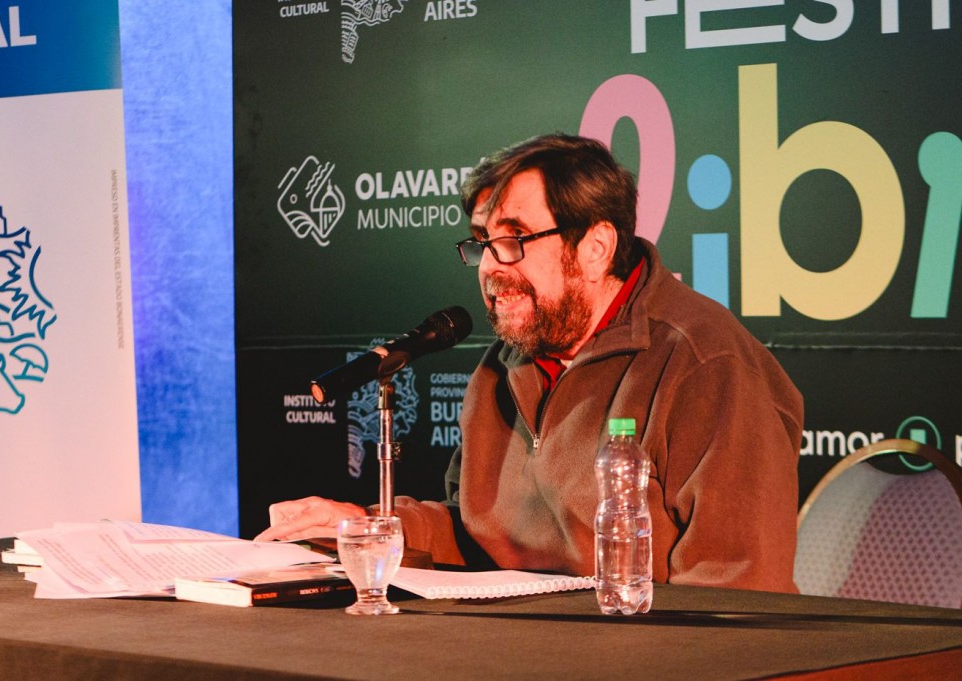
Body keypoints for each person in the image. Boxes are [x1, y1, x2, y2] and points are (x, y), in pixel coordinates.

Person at [257, 133, 804, 593]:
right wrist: (366, 525)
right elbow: (472, 535)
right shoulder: (506, 364)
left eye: (515, 239)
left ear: (596, 247)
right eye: (481, 243)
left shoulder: (707, 363)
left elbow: (741, 589)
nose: (491, 268)